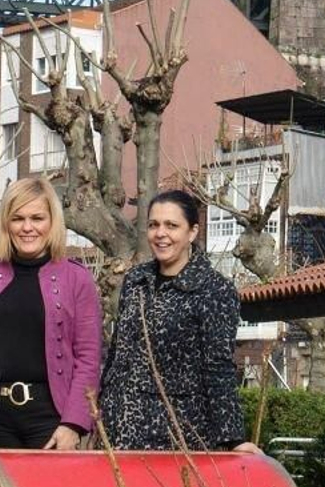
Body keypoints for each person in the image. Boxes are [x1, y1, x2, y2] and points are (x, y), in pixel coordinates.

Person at [100, 188, 260, 453]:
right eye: (153, 225)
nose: (160, 233)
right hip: (118, 432)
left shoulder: (214, 290)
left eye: (171, 226)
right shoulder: (135, 281)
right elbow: (118, 354)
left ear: (192, 232)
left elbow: (218, 367)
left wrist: (233, 438)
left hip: (176, 437)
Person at [0, 178, 102, 449]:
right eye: (18, 218)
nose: (27, 227)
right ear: (6, 224)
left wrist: (73, 423)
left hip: (51, 418)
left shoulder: (77, 278)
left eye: (37, 218)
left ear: (52, 222)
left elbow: (89, 357)